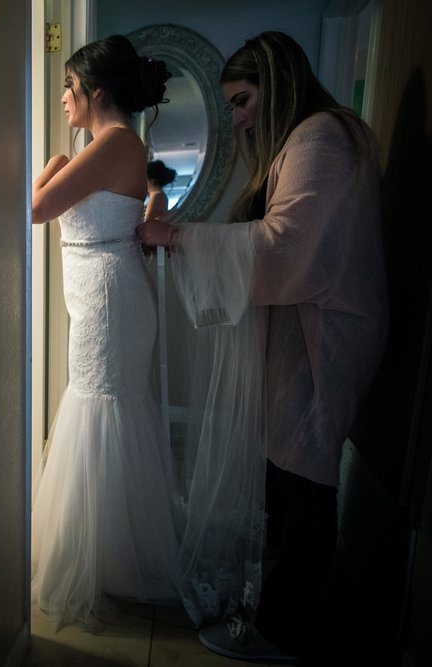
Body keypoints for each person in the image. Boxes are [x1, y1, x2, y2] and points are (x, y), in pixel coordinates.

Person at [138, 31, 387, 662]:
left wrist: (177, 238)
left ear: (277, 85)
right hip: (308, 329)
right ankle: (281, 618)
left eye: (245, 101)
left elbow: (284, 249)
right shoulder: (312, 139)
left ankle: (284, 632)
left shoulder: (323, 138)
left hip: (321, 332)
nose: (241, 119)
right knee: (291, 473)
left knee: (304, 478)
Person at [30, 35, 179, 630]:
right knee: (105, 405)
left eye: (69, 88)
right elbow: (145, 191)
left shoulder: (113, 142)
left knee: (100, 405)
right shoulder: (121, 147)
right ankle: (116, 552)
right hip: (106, 292)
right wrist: (156, 196)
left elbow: (36, 208)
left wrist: (53, 166)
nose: (64, 99)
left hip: (109, 299)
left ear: (96, 93)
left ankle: (108, 560)